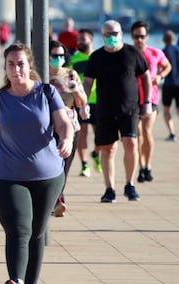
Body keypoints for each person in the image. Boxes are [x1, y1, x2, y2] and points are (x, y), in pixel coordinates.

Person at [0, 41, 74, 284]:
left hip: (48, 175)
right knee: (19, 229)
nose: (16, 68)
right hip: (5, 175)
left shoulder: (47, 92)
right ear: (5, 68)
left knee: (37, 232)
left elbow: (64, 122)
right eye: (10, 64)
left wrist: (66, 140)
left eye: (21, 63)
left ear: (29, 66)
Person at [83, 20, 152, 203]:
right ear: (102, 35)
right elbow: (88, 82)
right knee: (109, 149)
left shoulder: (132, 53)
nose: (111, 37)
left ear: (121, 34)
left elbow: (146, 77)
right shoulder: (96, 57)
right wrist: (83, 104)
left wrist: (147, 102)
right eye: (107, 34)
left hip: (129, 108)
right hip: (105, 109)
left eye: (114, 34)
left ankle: (130, 185)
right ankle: (109, 188)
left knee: (130, 143)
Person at [49, 40, 88, 217]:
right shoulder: (40, 75)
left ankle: (57, 200)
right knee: (52, 166)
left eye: (61, 55)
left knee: (64, 166)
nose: (58, 59)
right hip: (48, 128)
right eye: (54, 55)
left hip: (71, 128)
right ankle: (57, 200)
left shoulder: (71, 75)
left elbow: (81, 102)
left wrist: (75, 91)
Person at [131, 21, 172, 183]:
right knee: (138, 134)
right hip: (133, 99)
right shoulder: (129, 54)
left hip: (151, 99)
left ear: (147, 37)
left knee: (147, 132)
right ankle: (141, 166)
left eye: (142, 36)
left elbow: (167, 66)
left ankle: (147, 166)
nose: (139, 40)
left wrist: (160, 77)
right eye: (136, 36)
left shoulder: (155, 53)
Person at [70, 28, 102, 177]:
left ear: (91, 40)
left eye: (83, 39)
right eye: (78, 40)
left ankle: (96, 153)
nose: (80, 42)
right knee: (82, 133)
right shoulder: (74, 60)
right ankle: (84, 165)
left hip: (99, 100)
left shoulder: (98, 57)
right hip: (80, 101)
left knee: (101, 135)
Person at [162, 30, 179, 141]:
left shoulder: (163, 52)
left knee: (167, 110)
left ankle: (172, 133)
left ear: (164, 40)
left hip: (168, 83)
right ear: (174, 39)